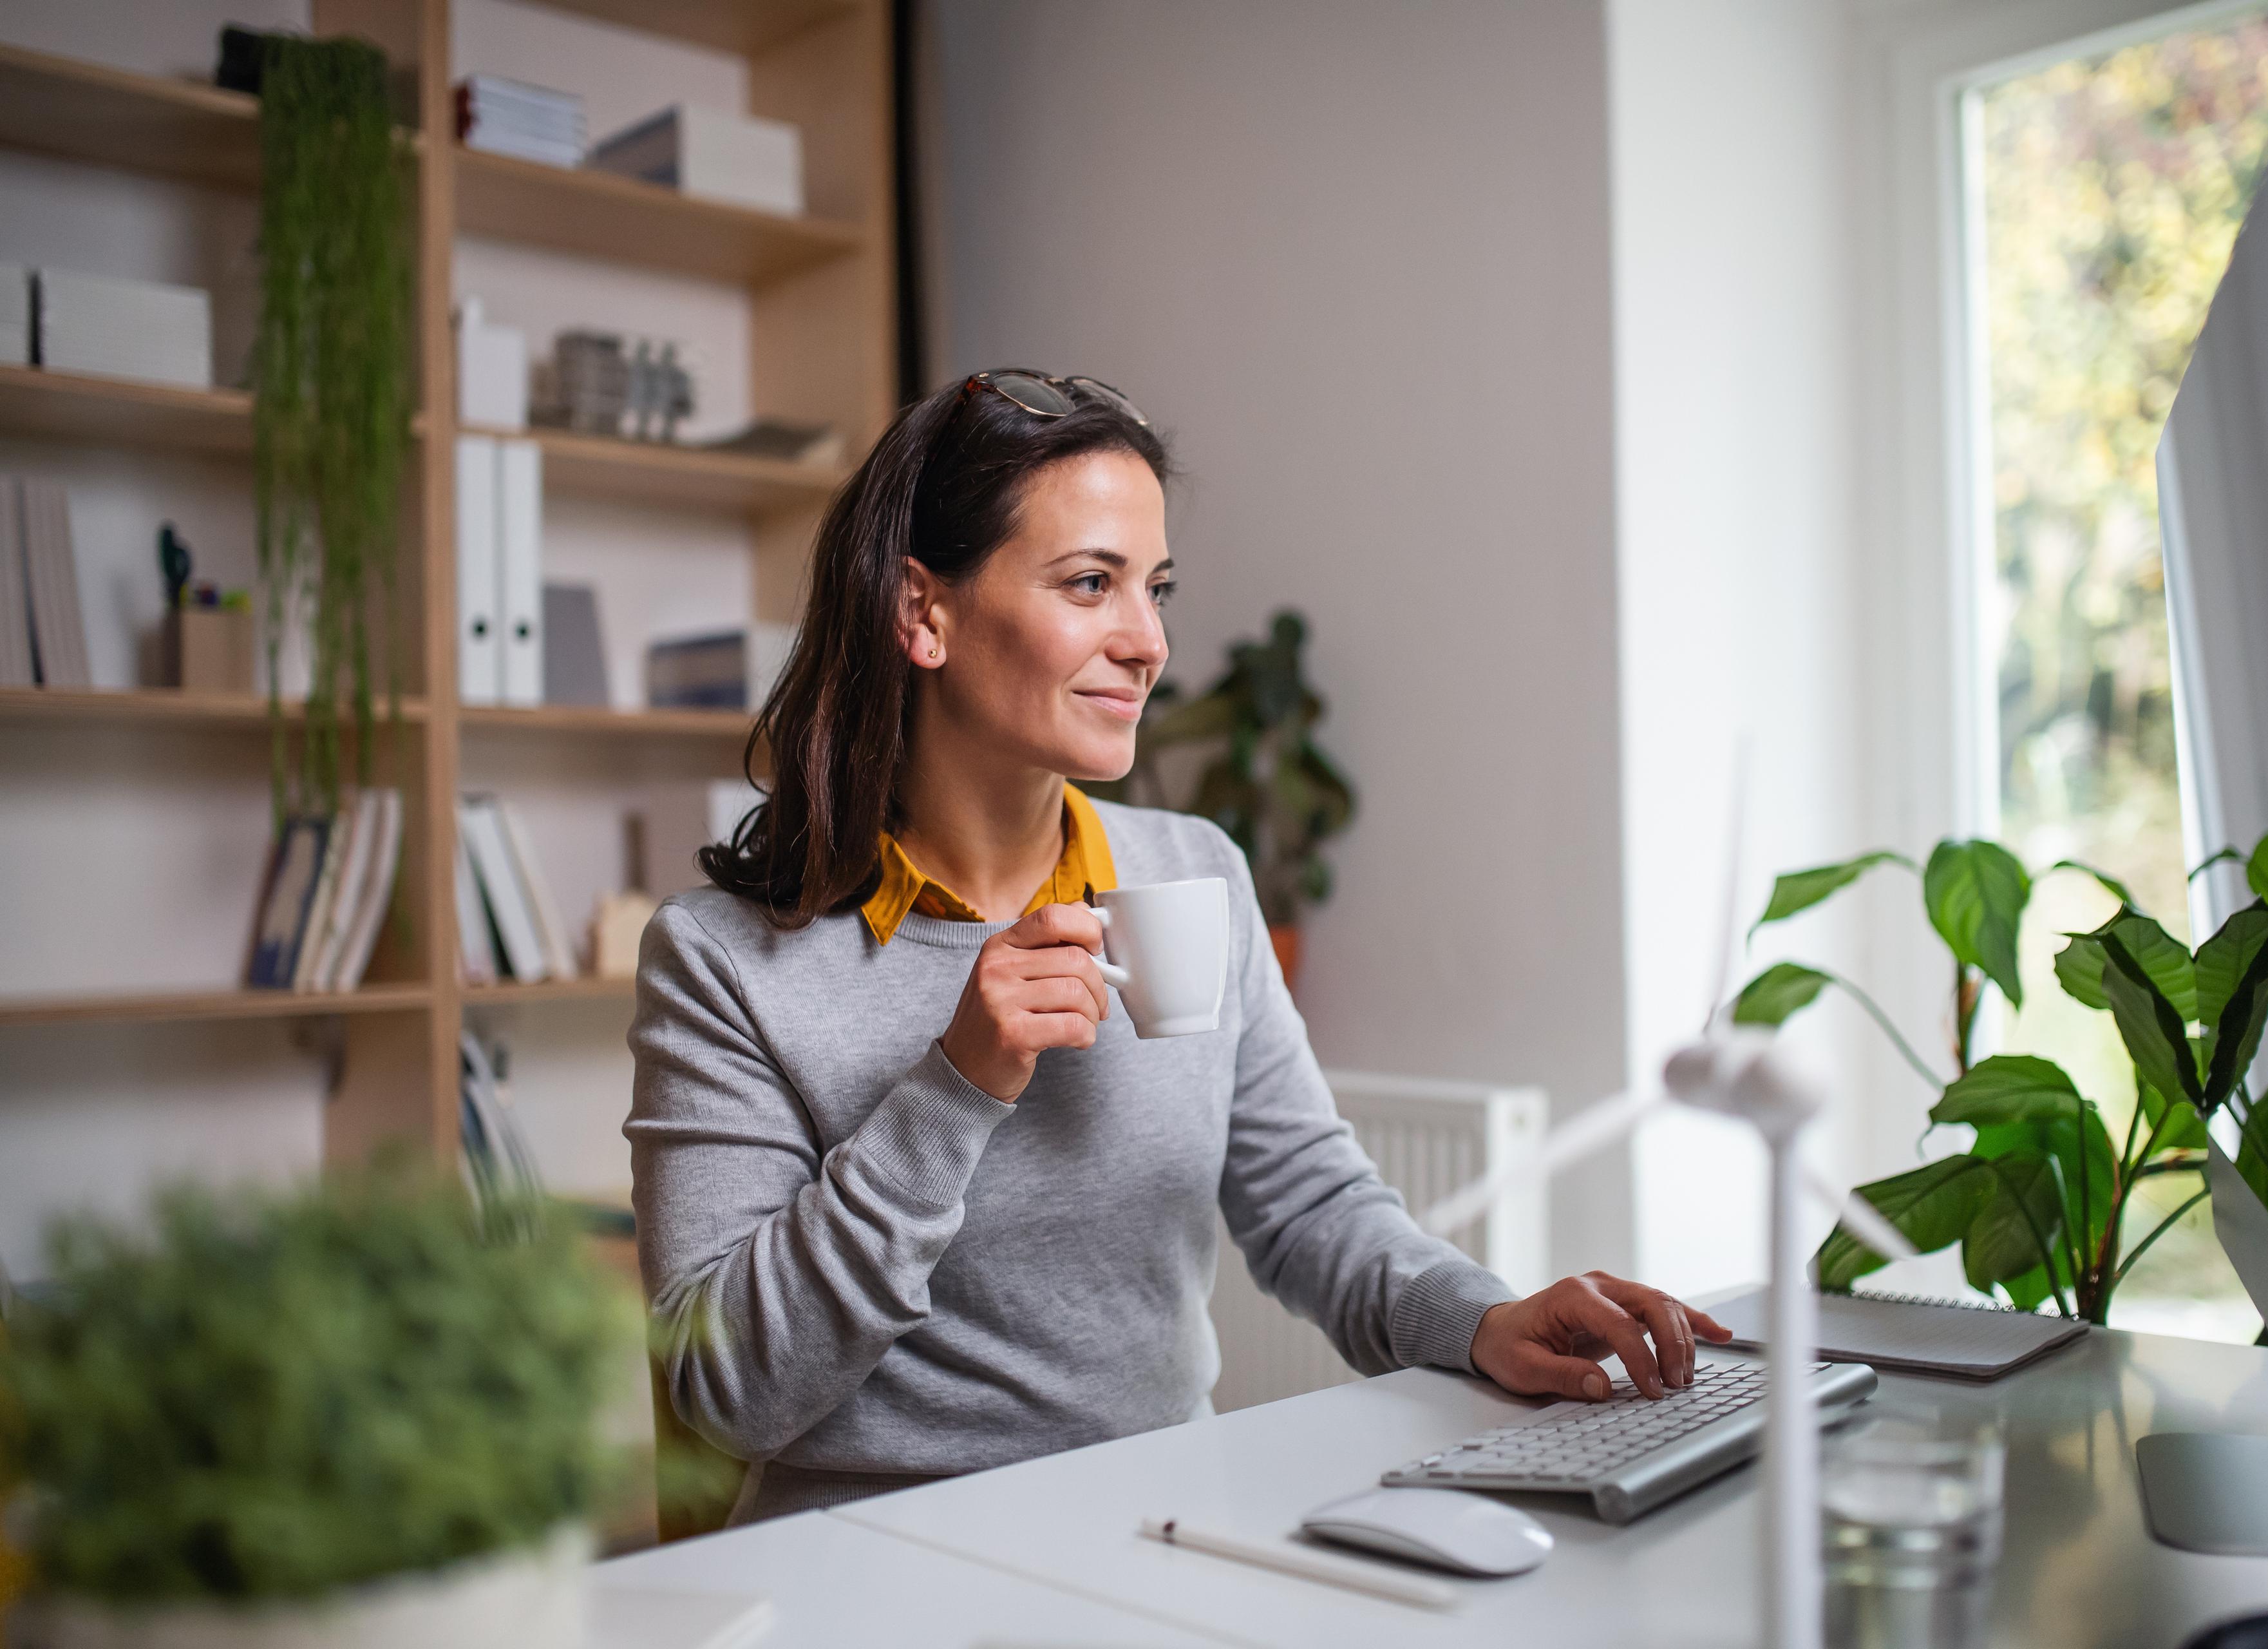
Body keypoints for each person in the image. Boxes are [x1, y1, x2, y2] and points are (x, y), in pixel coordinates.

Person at [627, 369, 1730, 1523]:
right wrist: (952, 1088)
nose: (1147, 642)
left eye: (1154, 589)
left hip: (1162, 1522)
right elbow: (727, 1390)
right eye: (1090, 583)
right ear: (923, 613)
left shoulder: (1188, 875)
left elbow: (1308, 1207)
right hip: (876, 1554)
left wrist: (1482, 1320)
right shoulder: (723, 961)